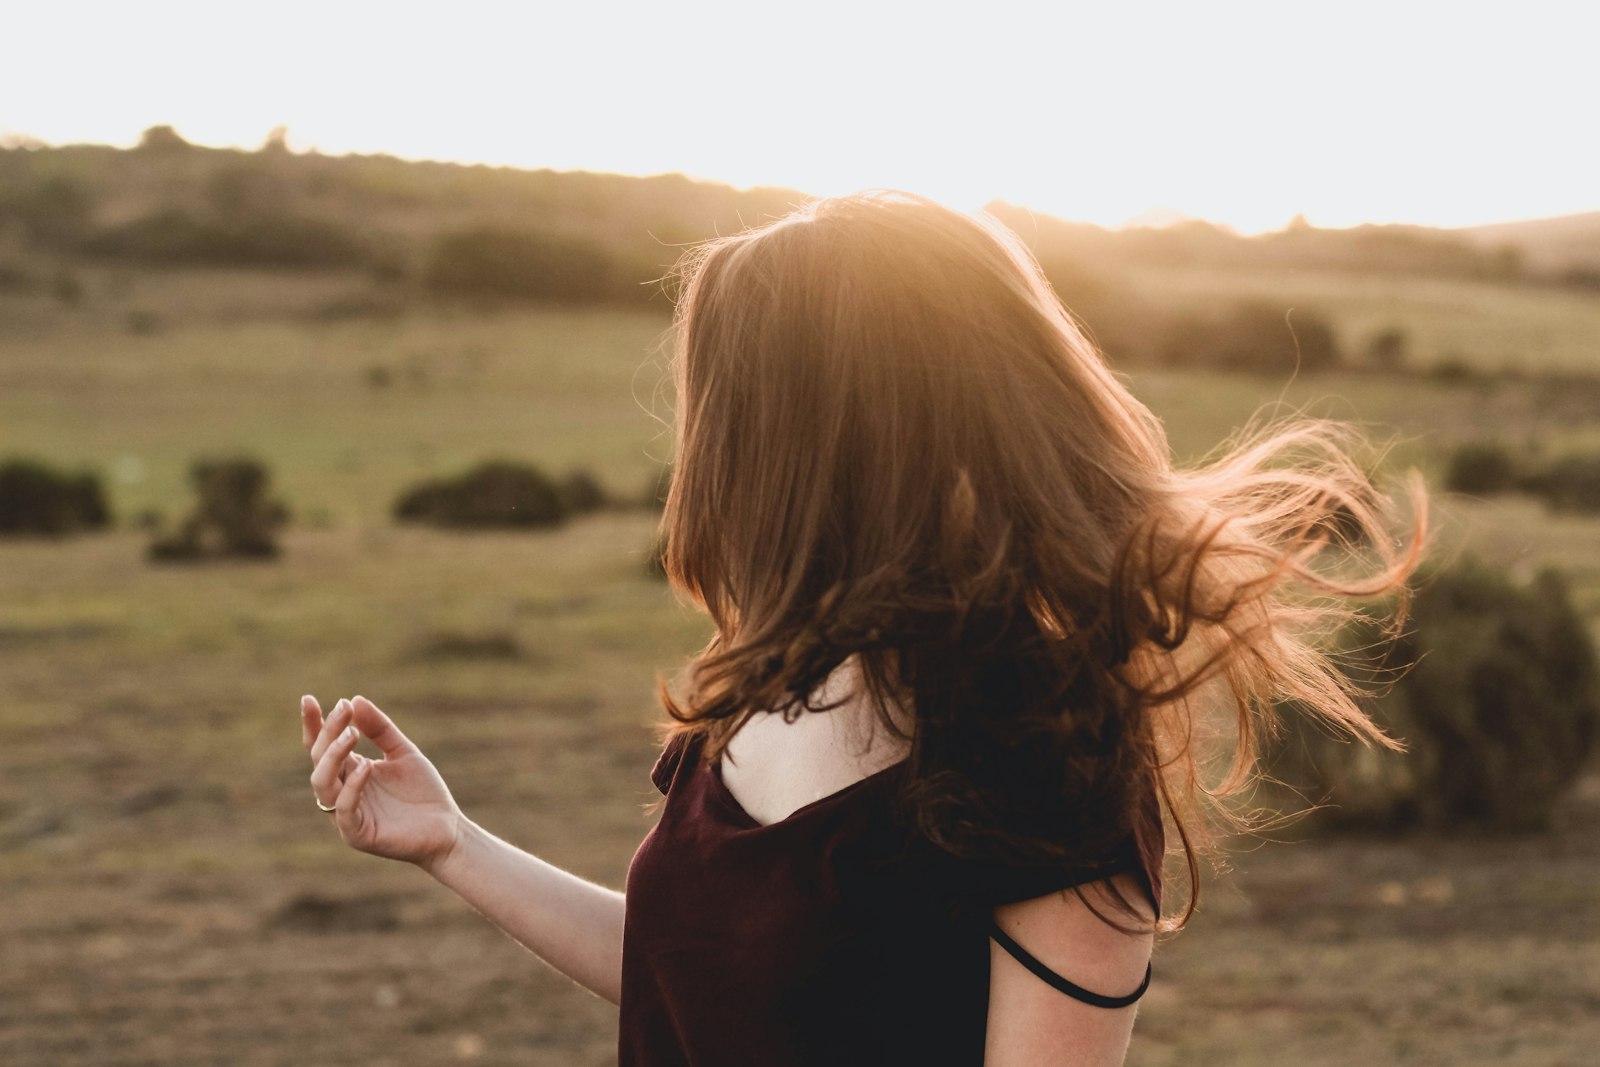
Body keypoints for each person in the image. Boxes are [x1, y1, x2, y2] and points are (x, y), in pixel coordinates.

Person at [299, 190, 1425, 1065]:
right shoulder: (769, 678)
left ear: (811, 441)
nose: (702, 455)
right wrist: (454, 843)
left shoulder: (1043, 755)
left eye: (729, 412)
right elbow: (690, 970)